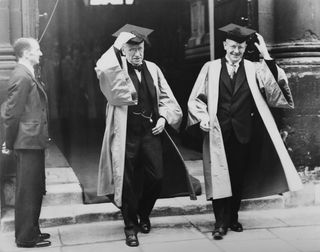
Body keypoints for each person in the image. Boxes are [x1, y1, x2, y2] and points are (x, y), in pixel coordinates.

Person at [187, 23, 303, 240]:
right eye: (232, 46)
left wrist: (266, 55)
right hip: (218, 132)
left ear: (244, 48)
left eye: (240, 47)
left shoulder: (254, 68)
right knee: (220, 177)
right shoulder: (210, 68)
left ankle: (233, 217)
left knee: (237, 178)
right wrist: (202, 117)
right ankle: (220, 223)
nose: (235, 51)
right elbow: (196, 98)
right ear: (224, 45)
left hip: (243, 133)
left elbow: (274, 90)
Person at [95, 24, 200, 247]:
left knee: (157, 177)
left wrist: (164, 118)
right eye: (131, 49)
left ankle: (144, 212)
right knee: (128, 182)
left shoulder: (153, 69)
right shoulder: (116, 69)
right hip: (125, 134)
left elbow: (167, 99)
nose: (137, 54)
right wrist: (115, 45)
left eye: (140, 49)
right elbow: (104, 73)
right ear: (123, 50)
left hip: (151, 132)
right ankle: (130, 227)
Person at [1, 38, 51, 248]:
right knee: (28, 190)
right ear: (26, 53)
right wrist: (8, 142)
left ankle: (32, 230)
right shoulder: (21, 76)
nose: (40, 53)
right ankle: (25, 237)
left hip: (33, 140)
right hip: (26, 142)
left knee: (35, 187)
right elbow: (12, 113)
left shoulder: (27, 73)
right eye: (37, 50)